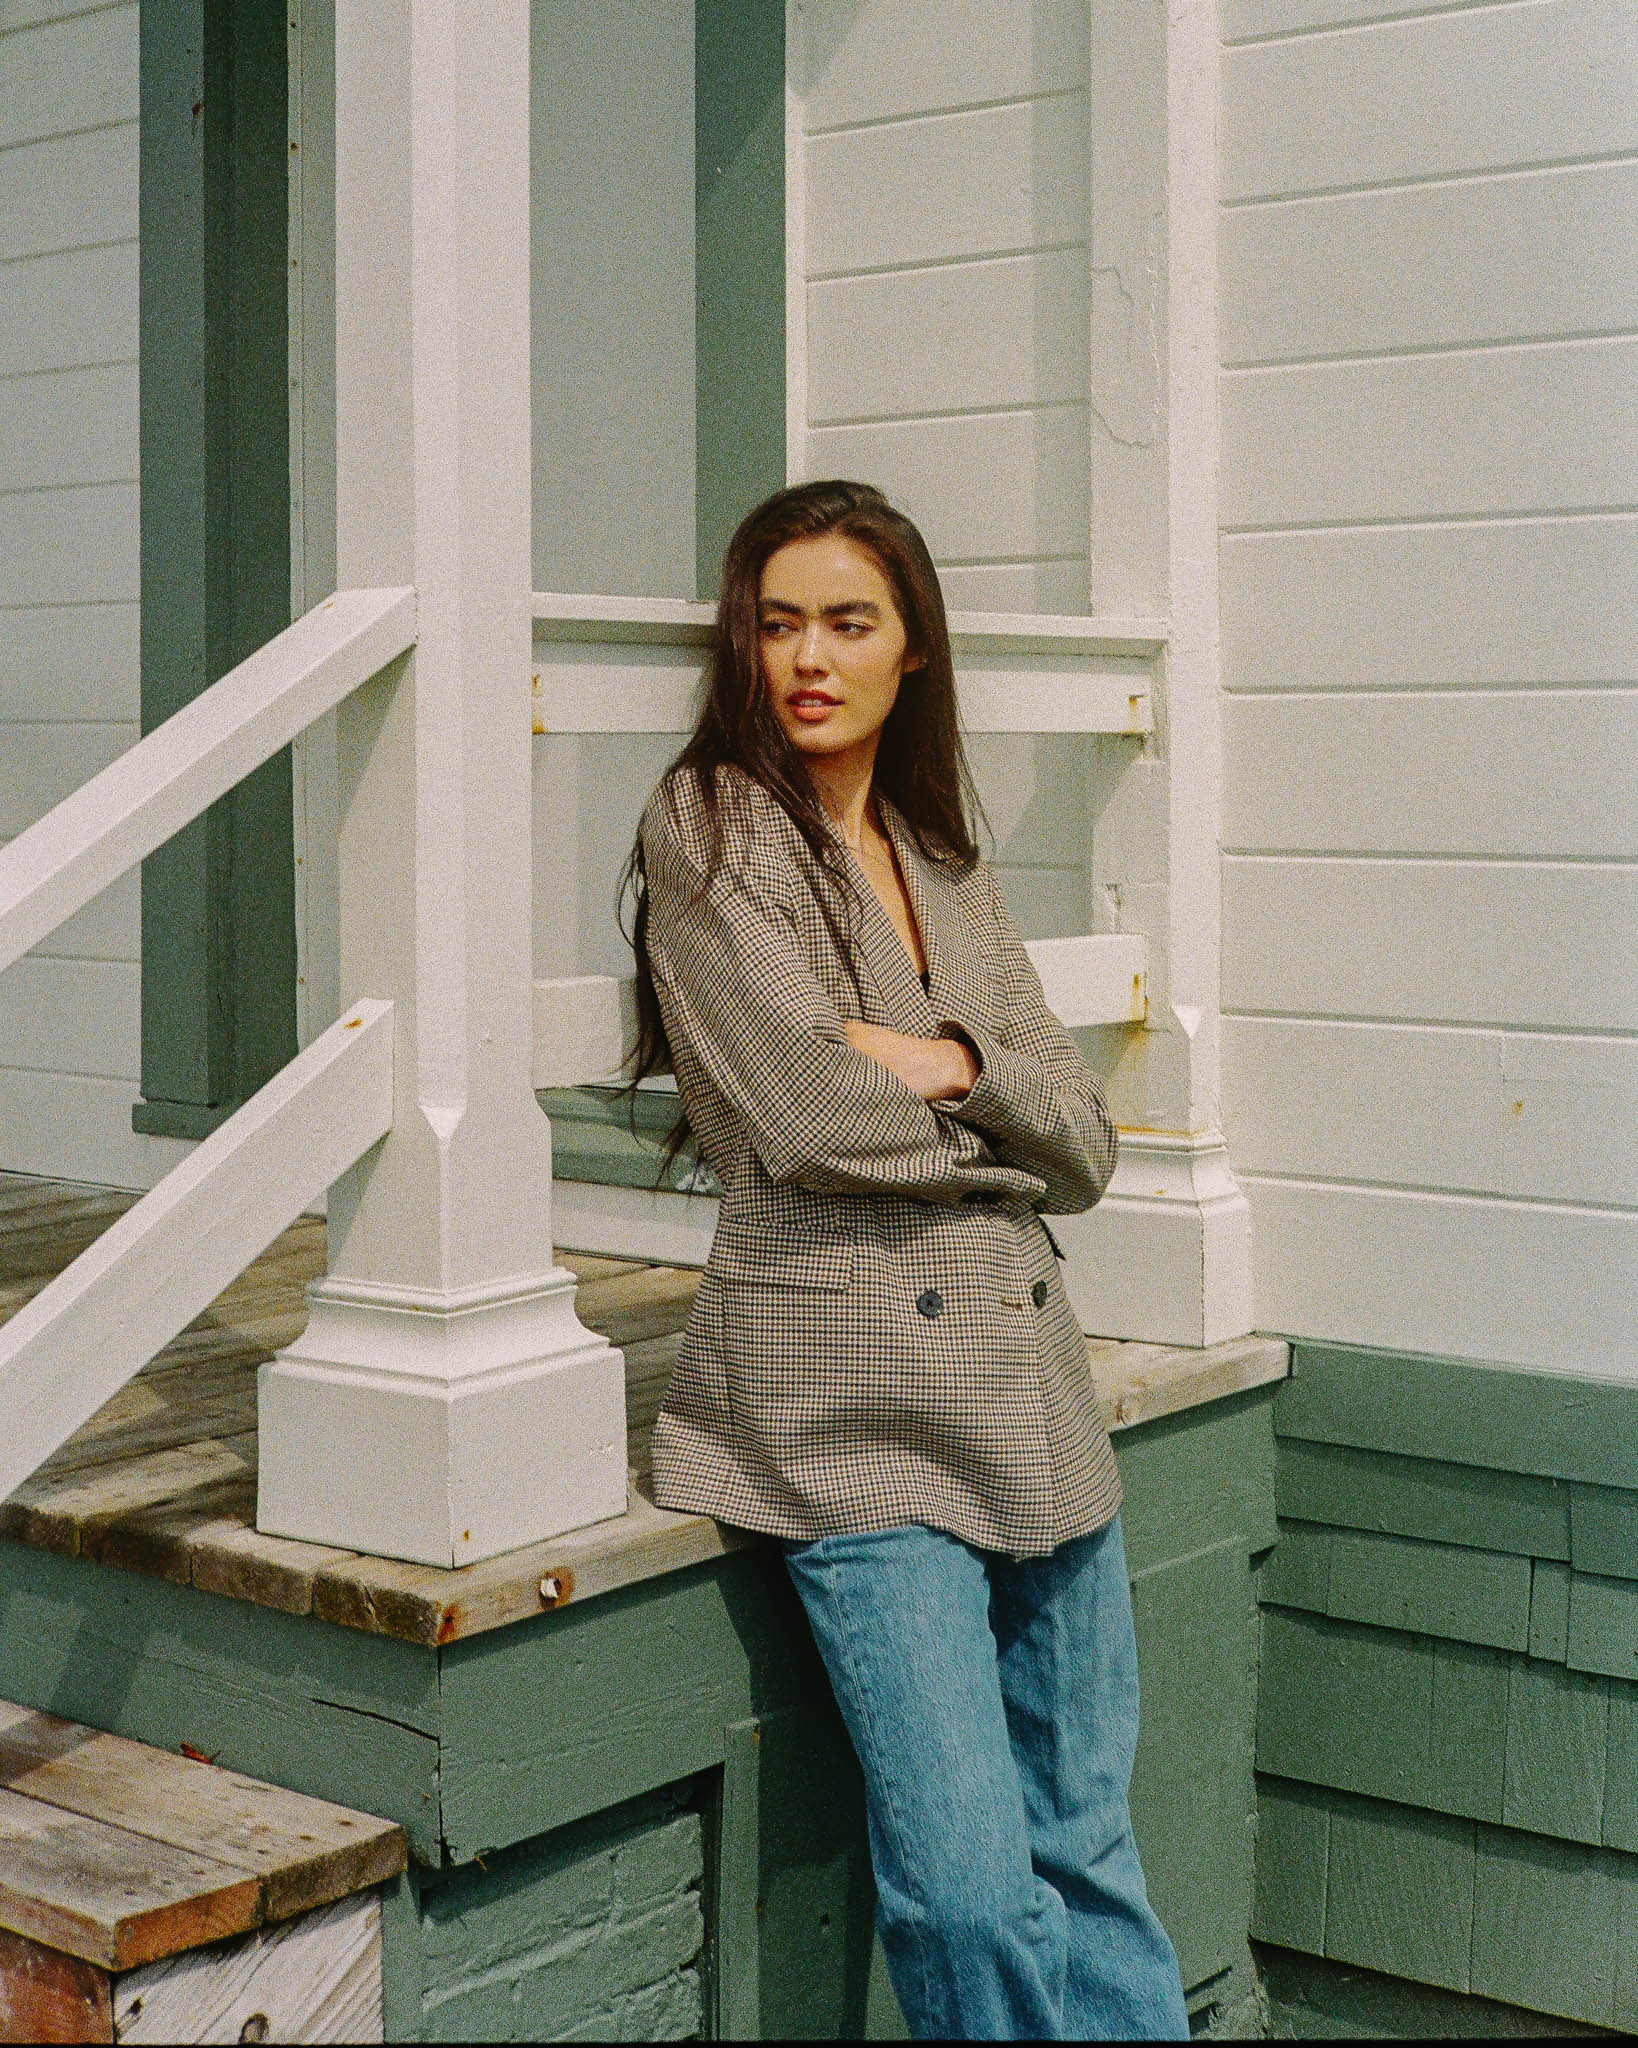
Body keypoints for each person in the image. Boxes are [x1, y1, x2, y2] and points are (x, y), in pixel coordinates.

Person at [620, 479, 1189, 2042]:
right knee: (966, 1890)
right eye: (776, 623)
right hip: (849, 1412)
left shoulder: (940, 851)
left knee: (1086, 1850)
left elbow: (1086, 1144)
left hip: (1030, 1394)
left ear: (910, 647)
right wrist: (1004, 1114)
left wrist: (948, 1066)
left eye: (847, 622)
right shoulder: (711, 824)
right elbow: (807, 1117)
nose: (808, 657)